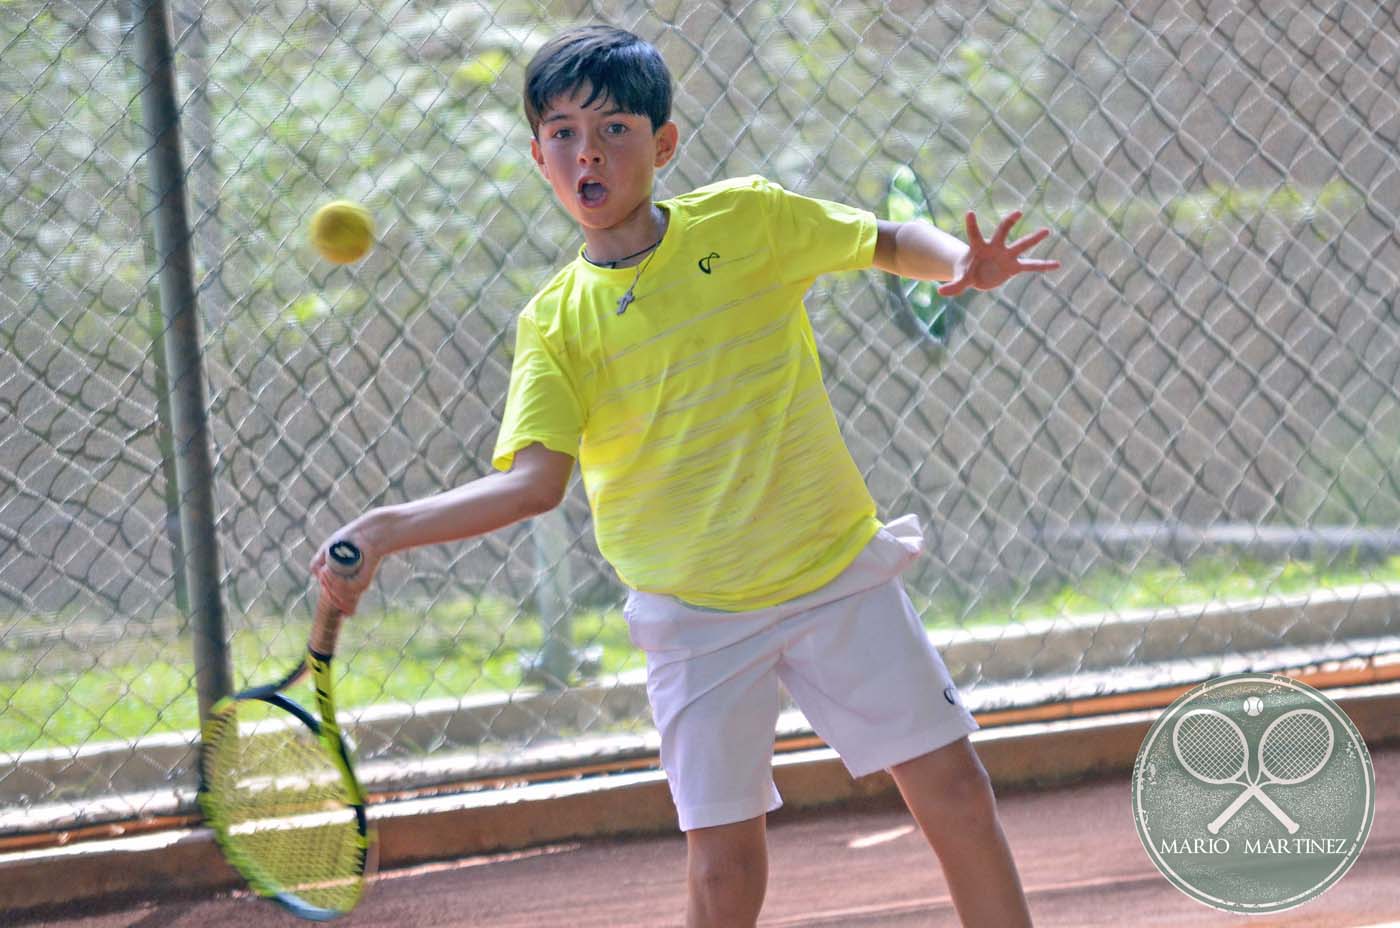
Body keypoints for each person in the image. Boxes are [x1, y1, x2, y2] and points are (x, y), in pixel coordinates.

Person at [313, 24, 1057, 927]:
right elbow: (534, 485)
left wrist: (958, 265)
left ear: (663, 145)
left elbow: (890, 240)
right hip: (694, 617)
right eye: (562, 133)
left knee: (954, 789)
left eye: (615, 129)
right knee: (723, 868)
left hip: (834, 572)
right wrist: (389, 526)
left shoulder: (747, 221)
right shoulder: (555, 326)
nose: (588, 152)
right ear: (539, 156)